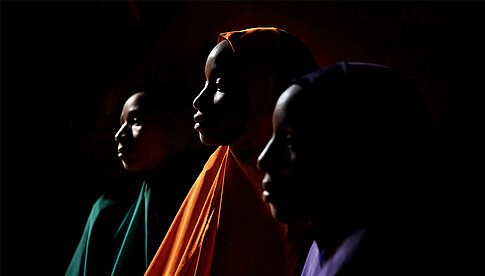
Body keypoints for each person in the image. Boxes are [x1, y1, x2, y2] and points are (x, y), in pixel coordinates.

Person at [145, 27, 319, 276]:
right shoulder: (215, 178)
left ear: (268, 89)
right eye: (204, 83)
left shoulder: (316, 208)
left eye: (219, 84)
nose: (198, 100)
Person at [257, 62, 436, 275]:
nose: (264, 159)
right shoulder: (324, 245)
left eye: (291, 142)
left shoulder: (366, 261)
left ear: (356, 151)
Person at [66, 86, 204, 276]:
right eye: (122, 123)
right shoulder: (107, 212)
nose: (119, 134)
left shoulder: (202, 203)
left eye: (136, 121)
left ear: (172, 130)